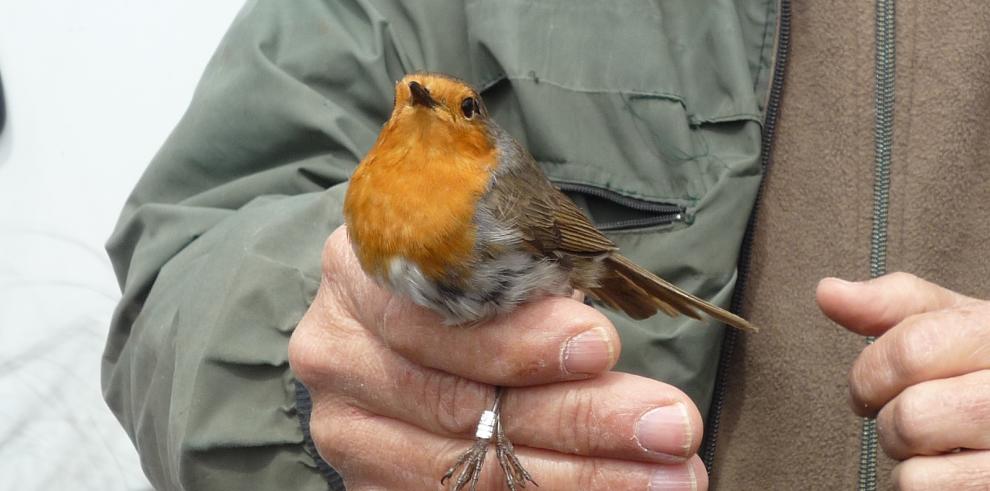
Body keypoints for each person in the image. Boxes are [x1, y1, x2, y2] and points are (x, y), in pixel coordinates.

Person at [102, 0, 990, 489]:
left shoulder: (495, 190)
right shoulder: (390, 182)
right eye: (413, 96)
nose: (425, 103)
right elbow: (173, 270)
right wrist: (333, 380)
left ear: (481, 134)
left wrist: (594, 265)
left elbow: (567, 234)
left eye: (462, 106)